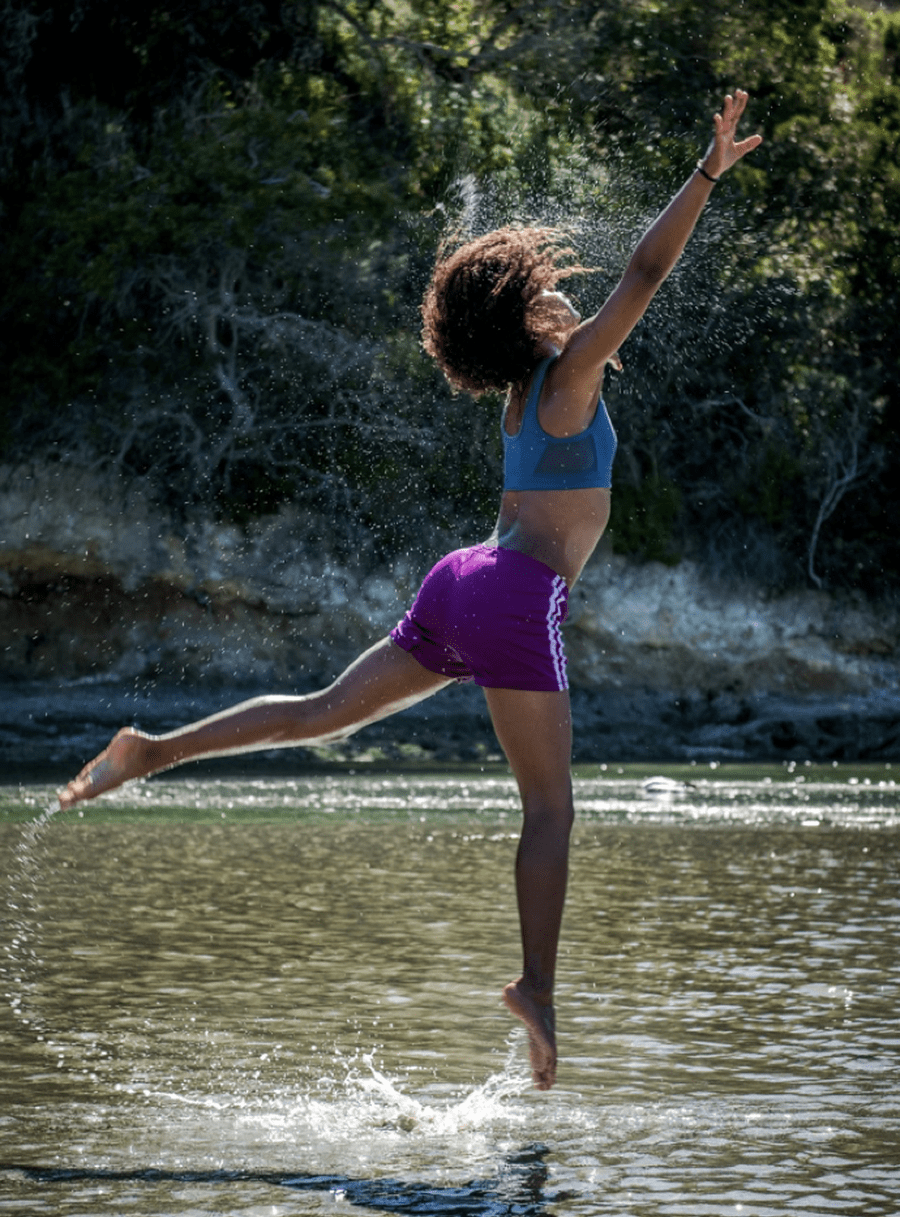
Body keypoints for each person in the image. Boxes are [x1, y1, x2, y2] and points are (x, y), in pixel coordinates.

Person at [58, 91, 762, 1090]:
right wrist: (705, 174)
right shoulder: (566, 381)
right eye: (549, 295)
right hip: (514, 594)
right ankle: (537, 987)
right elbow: (645, 273)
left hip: (460, 578)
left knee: (319, 713)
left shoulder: (520, 397)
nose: (571, 302)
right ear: (529, 318)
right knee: (550, 808)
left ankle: (154, 749)